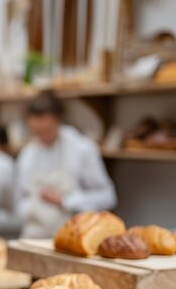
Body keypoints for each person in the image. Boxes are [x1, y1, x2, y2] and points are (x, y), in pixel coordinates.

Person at [14, 90, 117, 238]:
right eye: (37, 131)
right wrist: (31, 208)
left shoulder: (82, 148)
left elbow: (108, 196)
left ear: (59, 119)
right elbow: (19, 200)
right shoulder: (27, 154)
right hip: (34, 236)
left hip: (74, 235)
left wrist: (66, 201)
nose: (43, 136)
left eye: (47, 129)